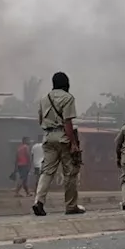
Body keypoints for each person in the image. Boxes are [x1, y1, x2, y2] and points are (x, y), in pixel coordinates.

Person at [33, 71, 84, 216]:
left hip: (48, 137)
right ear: (66, 84)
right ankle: (71, 206)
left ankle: (38, 201)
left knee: (47, 171)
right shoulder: (68, 98)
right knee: (70, 172)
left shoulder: (44, 98)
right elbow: (68, 122)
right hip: (63, 136)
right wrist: (73, 143)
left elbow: (40, 119)